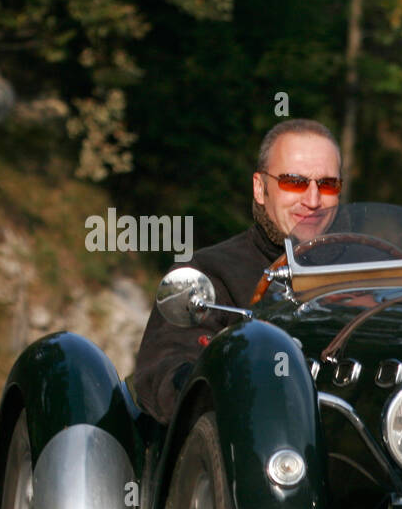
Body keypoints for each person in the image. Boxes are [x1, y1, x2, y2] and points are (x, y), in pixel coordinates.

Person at [131, 118, 342, 424]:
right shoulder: (208, 272)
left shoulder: (368, 269)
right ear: (260, 188)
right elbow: (166, 373)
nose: (312, 200)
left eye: (327, 184)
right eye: (294, 182)